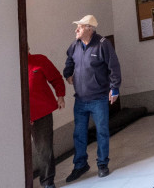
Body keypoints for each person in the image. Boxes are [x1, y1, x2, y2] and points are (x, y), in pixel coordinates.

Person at [63, 15, 122, 182]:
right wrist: (67, 74)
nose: (76, 30)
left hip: (99, 98)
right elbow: (69, 61)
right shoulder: (74, 45)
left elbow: (114, 67)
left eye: (80, 27)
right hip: (80, 99)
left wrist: (114, 88)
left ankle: (102, 164)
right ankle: (80, 165)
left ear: (89, 29)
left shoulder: (103, 44)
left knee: (102, 132)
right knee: (79, 134)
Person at [28, 49, 65, 188]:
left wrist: (60, 96)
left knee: (44, 149)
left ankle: (47, 182)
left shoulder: (40, 60)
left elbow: (56, 78)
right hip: (18, 116)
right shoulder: (9, 66)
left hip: (41, 113)